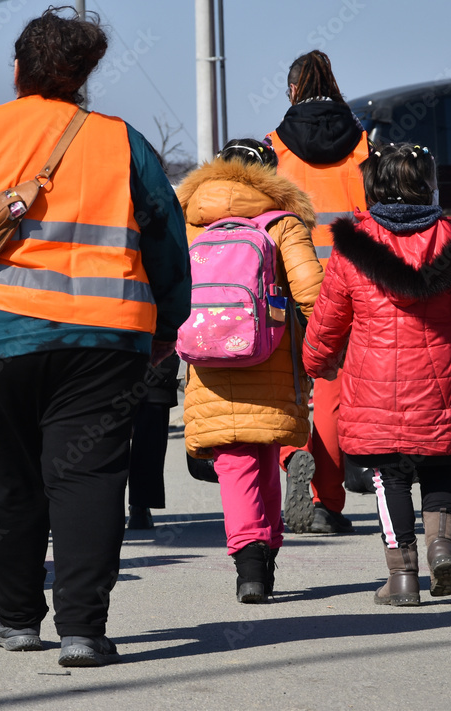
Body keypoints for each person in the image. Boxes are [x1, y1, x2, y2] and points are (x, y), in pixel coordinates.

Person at [0, 7, 190, 667]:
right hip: (104, 341)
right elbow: (168, 240)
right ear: (86, 75)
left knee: (4, 479)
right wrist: (167, 327)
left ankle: (18, 617)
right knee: (87, 479)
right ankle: (84, 628)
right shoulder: (122, 142)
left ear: (18, 68)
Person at [303, 143, 451, 606]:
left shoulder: (352, 248)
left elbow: (328, 323)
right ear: (428, 185)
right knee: (438, 466)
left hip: (375, 391)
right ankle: (442, 547)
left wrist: (314, 363)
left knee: (389, 478)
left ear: (373, 185)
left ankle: (403, 578)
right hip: (440, 385)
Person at [176, 138, 323, 602]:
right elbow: (313, 293)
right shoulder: (283, 222)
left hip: (206, 359)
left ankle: (250, 565)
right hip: (271, 355)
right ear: (271, 176)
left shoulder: (188, 222)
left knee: (235, 460)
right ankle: (265, 557)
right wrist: (328, 348)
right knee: (263, 453)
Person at [265, 50, 370, 535]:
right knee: (329, 391)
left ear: (291, 91)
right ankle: (327, 502)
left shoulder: (274, 150)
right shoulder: (363, 145)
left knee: (286, 388)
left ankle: (291, 458)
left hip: (286, 283)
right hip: (347, 287)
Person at [126, 353, 180, 530]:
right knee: (149, 437)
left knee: (108, 440)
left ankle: (106, 508)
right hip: (156, 357)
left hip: (109, 352)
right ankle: (140, 507)